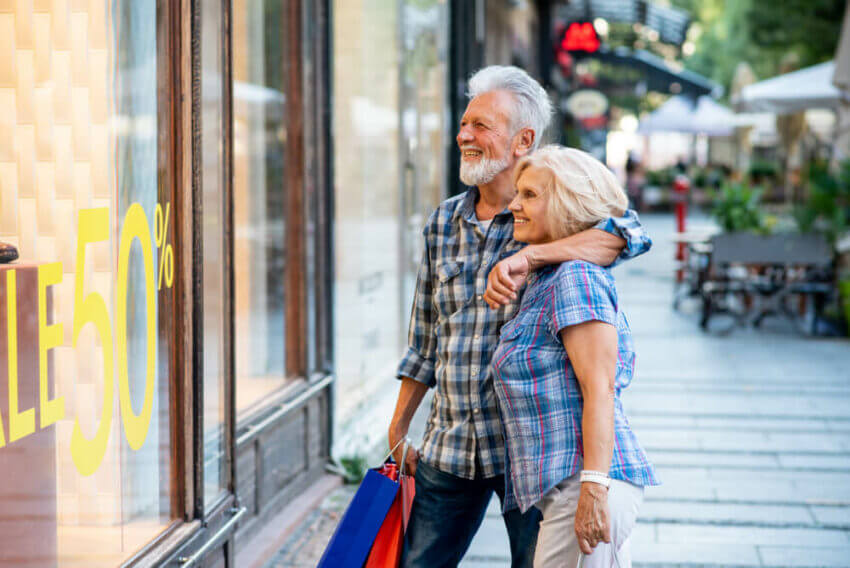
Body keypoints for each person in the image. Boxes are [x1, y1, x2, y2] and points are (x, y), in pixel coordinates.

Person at [389, 65, 652, 568]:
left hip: (530, 455)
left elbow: (633, 234)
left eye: (481, 125)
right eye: (464, 123)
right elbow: (424, 339)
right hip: (452, 443)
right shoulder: (443, 221)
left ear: (521, 140)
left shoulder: (548, 213)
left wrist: (529, 256)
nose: (464, 135)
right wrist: (400, 426)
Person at [491, 145, 660, 568]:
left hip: (585, 483)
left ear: (567, 204)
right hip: (570, 488)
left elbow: (599, 390)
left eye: (530, 195)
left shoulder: (575, 278)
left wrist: (593, 489)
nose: (514, 205)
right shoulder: (547, 277)